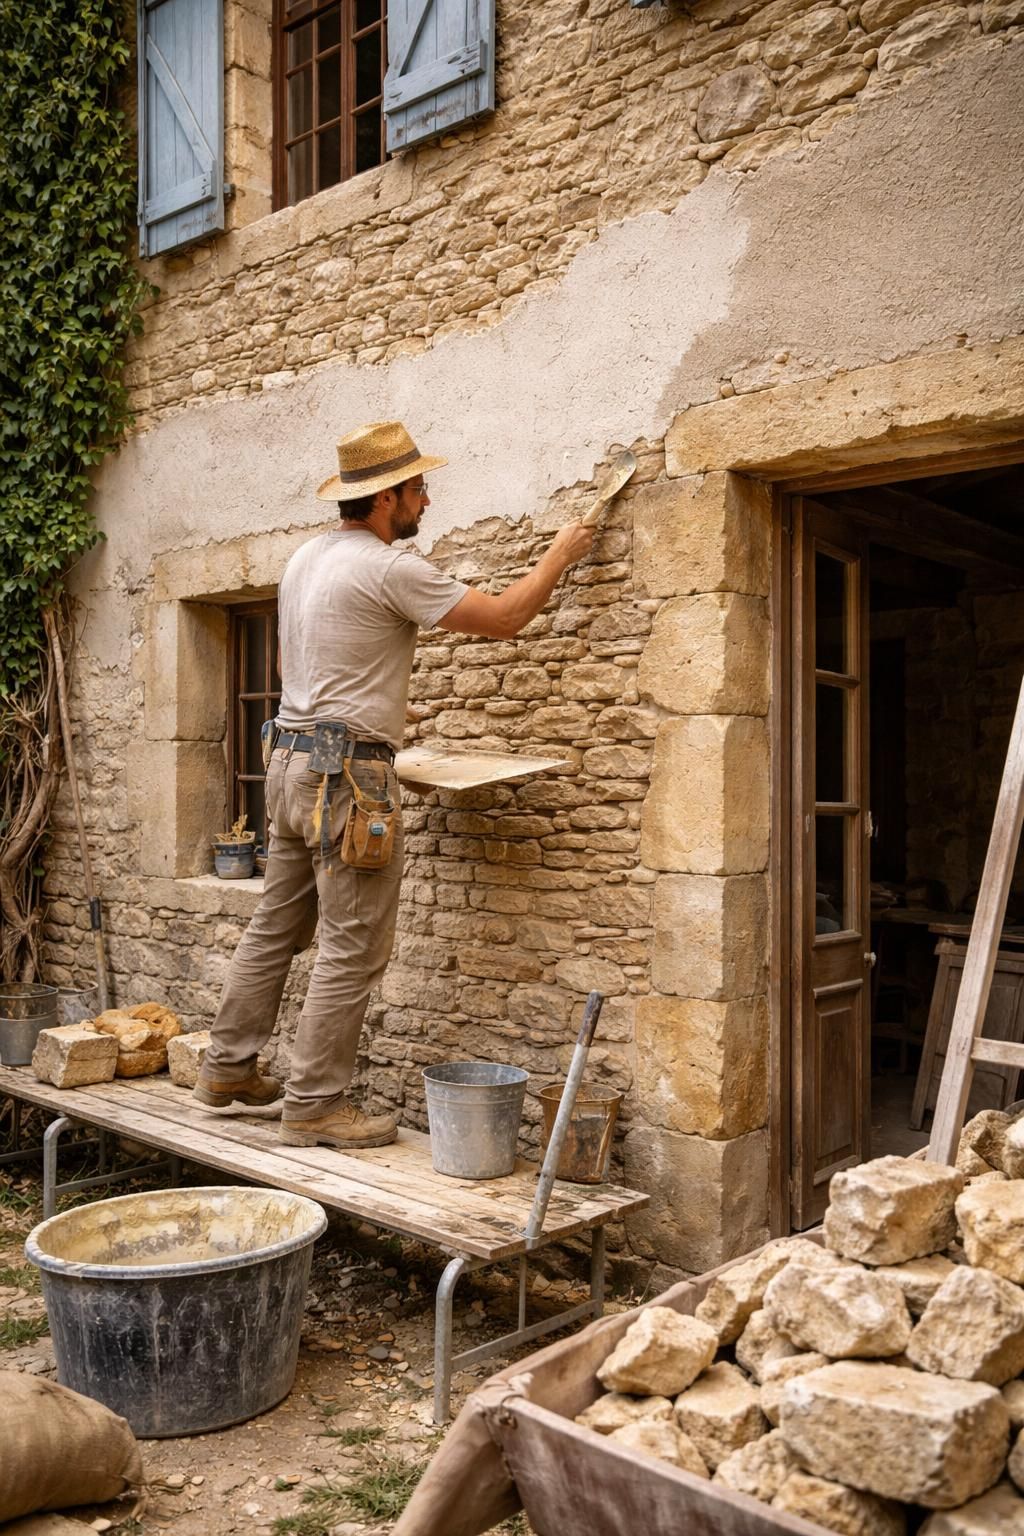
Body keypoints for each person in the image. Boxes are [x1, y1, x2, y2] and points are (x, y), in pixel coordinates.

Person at [193, 420, 594, 1149]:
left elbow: (294, 670)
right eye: (419, 488)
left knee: (275, 925)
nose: (427, 500)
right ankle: (315, 1106)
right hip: (347, 779)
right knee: (353, 946)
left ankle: (226, 1071)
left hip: (287, 763)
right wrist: (558, 555)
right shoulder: (392, 568)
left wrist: (375, 699)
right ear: (386, 498)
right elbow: (506, 618)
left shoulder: (305, 560)